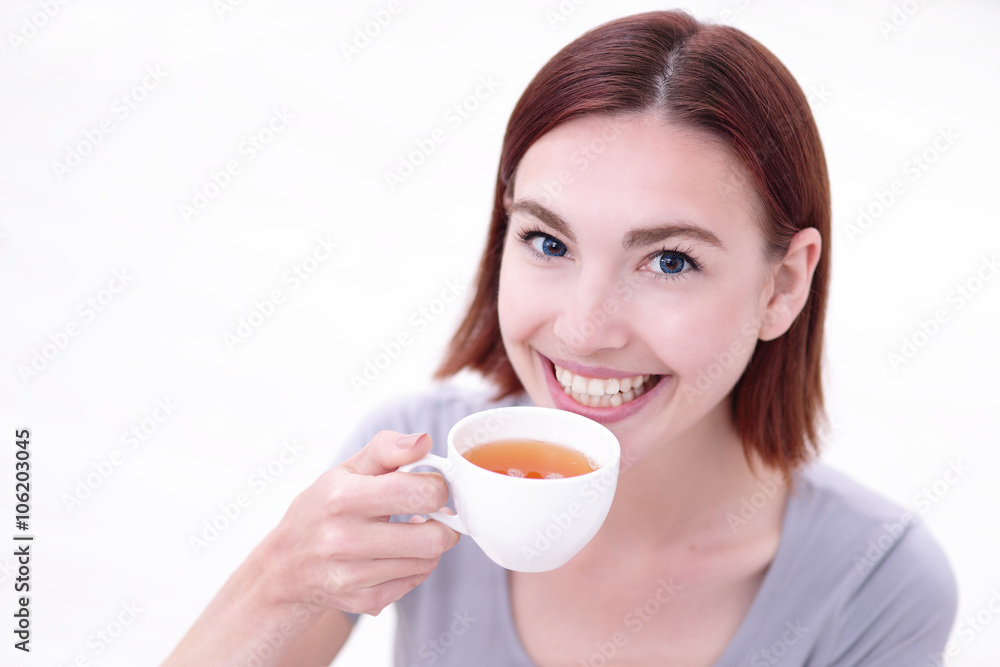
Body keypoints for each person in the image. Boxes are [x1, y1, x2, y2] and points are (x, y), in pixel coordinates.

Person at [165, 10, 957, 666]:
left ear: (782, 285)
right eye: (548, 242)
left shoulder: (874, 584)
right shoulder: (416, 466)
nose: (583, 329)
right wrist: (282, 579)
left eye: (669, 260)